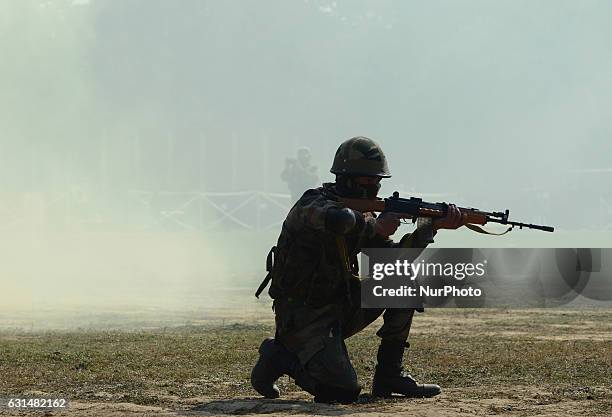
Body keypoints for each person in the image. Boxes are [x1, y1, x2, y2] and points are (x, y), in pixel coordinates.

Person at [252, 137, 465, 403]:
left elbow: (394, 257)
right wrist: (375, 227)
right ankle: (280, 356)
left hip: (340, 306)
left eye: (377, 182)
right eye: (368, 182)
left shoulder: (365, 215)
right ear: (347, 179)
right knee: (341, 392)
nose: (374, 188)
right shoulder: (312, 205)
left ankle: (389, 375)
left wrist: (429, 229)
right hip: (304, 315)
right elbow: (338, 221)